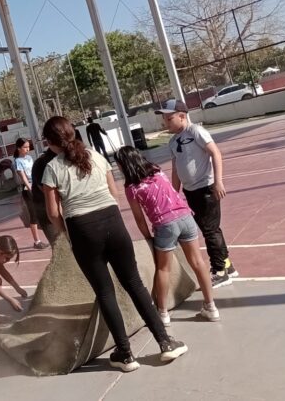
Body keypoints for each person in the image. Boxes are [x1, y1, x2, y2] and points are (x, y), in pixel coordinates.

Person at [41, 116, 187, 372]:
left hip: (82, 228)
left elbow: (53, 212)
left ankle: (125, 354)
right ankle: (165, 342)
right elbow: (114, 192)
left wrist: (68, 233)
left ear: (51, 143)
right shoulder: (95, 156)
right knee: (134, 284)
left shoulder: (52, 168)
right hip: (112, 221)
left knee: (105, 291)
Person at [114, 146, 220, 325]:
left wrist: (148, 237)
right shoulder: (157, 171)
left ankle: (162, 313)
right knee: (198, 262)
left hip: (164, 224)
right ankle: (211, 307)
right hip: (186, 216)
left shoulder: (132, 187)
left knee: (163, 268)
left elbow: (139, 218)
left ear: (124, 165)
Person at [155, 99, 237, 288]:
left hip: (206, 188)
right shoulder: (173, 141)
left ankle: (219, 271)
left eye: (169, 119)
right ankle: (226, 264)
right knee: (209, 229)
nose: (165, 123)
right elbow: (176, 169)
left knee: (210, 230)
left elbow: (215, 153)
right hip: (191, 192)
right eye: (165, 119)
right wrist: (174, 194)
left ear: (182, 116)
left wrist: (218, 181)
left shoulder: (196, 132)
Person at [13, 137, 48, 250]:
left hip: (36, 185)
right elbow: (23, 177)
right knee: (33, 215)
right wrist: (31, 189)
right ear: (19, 148)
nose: (28, 149)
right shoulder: (18, 161)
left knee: (44, 210)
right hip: (28, 190)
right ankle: (37, 241)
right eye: (25, 147)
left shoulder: (29, 157)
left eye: (29, 147)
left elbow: (34, 173)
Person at [30, 146, 60, 246]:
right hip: (45, 209)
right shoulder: (41, 165)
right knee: (58, 244)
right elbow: (45, 190)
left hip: (58, 207)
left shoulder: (58, 162)